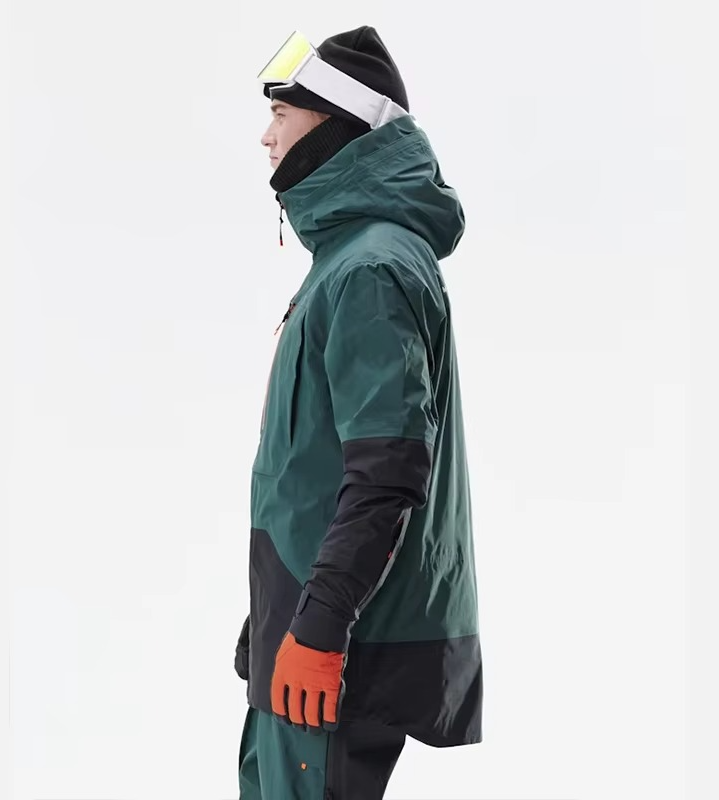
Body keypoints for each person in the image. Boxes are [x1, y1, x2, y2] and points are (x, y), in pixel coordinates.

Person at [233, 25, 483, 799]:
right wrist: (273, 613)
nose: (266, 136)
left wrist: (318, 626)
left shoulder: (371, 268)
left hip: (337, 651)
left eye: (283, 113)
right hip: (307, 629)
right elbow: (311, 469)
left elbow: (385, 474)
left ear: (332, 125)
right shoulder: (349, 261)